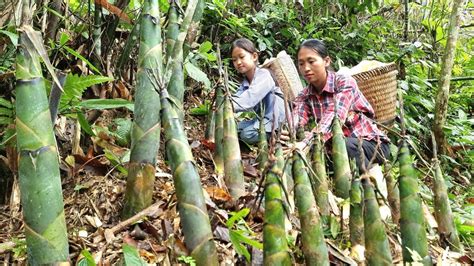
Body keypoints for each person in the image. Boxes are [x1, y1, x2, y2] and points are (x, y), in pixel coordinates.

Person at [292, 39, 390, 170]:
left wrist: (306, 142)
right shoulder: (304, 95)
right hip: (335, 150)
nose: (306, 68)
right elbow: (296, 117)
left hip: (370, 143)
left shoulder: (344, 83)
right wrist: (289, 131)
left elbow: (334, 116)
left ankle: (369, 183)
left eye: (311, 61)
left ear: (326, 61)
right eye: (301, 64)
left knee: (345, 146)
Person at [231, 38, 285, 145]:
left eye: (241, 57)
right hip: (263, 120)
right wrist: (223, 102)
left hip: (276, 120)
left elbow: (250, 98)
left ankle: (276, 135)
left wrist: (229, 105)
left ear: (254, 56)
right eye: (234, 59)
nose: (238, 62)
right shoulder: (246, 82)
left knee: (246, 135)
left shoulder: (264, 74)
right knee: (235, 129)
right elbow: (237, 97)